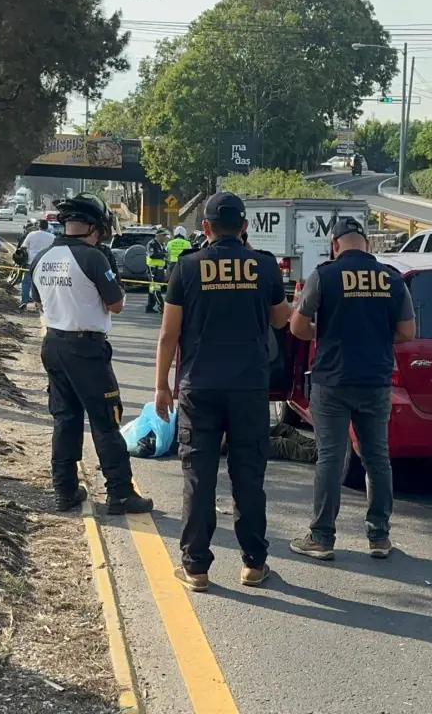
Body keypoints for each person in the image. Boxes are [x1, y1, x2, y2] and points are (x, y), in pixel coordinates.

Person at [153, 192, 291, 592]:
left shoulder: (187, 268)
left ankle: (196, 567)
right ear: (245, 227)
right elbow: (281, 321)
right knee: (248, 475)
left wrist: (162, 385)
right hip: (249, 387)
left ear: (206, 228)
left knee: (198, 474)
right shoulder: (264, 267)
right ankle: (254, 564)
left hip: (199, 387)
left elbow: (168, 334)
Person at [286, 216, 415, 562]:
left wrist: (326, 332)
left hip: (333, 380)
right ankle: (379, 537)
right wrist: (373, 338)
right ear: (367, 243)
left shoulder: (325, 276)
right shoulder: (391, 278)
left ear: (335, 245)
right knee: (377, 458)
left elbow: (297, 327)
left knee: (330, 457)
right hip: (375, 380)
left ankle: (322, 537)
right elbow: (407, 332)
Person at [30, 193, 153, 515]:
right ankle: (120, 492)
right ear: (93, 227)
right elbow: (117, 304)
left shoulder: (42, 256)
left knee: (65, 419)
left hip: (54, 344)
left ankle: (65, 490)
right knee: (106, 421)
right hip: (86, 349)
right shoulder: (94, 257)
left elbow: (38, 302)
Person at [17, 219, 55, 311]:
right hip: (45, 263)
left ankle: (24, 301)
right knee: (42, 283)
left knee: (26, 282)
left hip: (31, 262)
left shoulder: (31, 234)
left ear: (39, 226)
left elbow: (23, 247)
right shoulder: (52, 237)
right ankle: (40, 303)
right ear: (47, 227)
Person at [145, 228, 169, 313]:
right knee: (156, 288)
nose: (165, 237)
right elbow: (152, 255)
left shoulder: (161, 244)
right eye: (163, 236)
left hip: (160, 270)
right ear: (158, 236)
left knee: (152, 289)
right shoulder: (151, 244)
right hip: (153, 269)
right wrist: (163, 255)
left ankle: (149, 307)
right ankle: (162, 307)